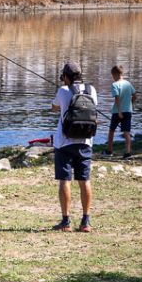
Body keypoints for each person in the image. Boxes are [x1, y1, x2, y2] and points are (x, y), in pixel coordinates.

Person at [51, 61, 98, 233]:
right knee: (84, 180)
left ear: (65, 77)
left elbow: (54, 107)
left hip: (64, 143)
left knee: (65, 180)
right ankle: (85, 221)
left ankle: (66, 221)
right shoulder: (92, 90)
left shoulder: (63, 91)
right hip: (86, 142)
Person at [105, 65, 137, 159]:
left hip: (117, 112)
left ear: (114, 74)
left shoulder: (114, 85)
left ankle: (109, 151)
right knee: (126, 132)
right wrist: (130, 104)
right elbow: (135, 95)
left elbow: (117, 98)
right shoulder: (128, 83)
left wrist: (119, 111)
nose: (112, 77)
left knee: (111, 131)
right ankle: (128, 153)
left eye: (112, 75)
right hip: (128, 111)